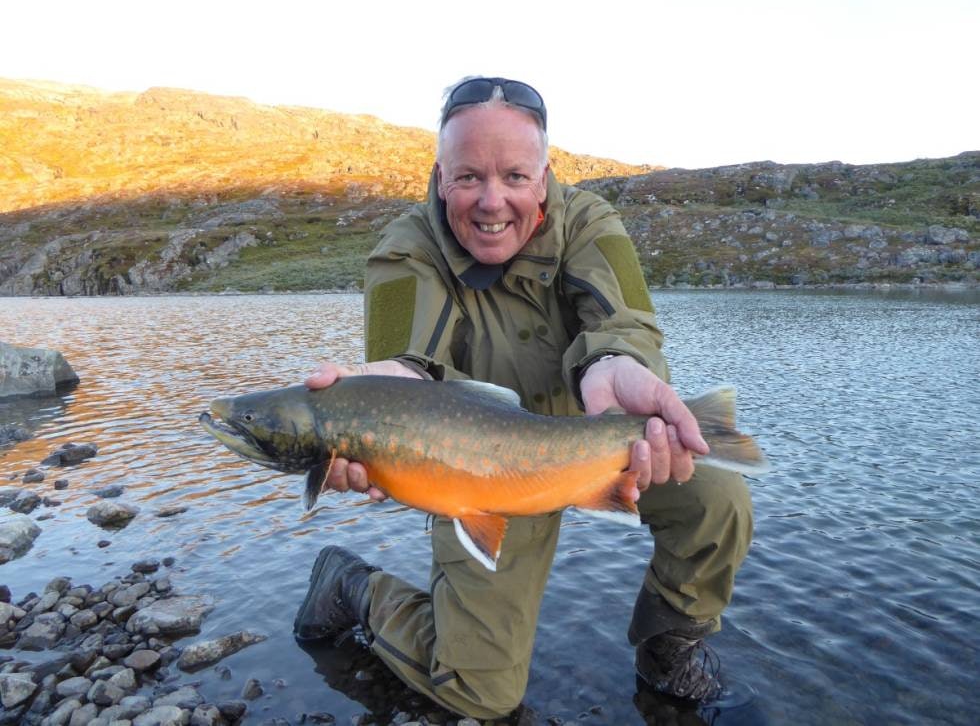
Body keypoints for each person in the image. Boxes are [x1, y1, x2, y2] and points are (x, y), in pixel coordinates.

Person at [296, 76, 753, 720]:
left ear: (545, 176)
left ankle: (668, 644)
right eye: (467, 178)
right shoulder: (406, 248)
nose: (491, 202)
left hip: (594, 443)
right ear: (439, 176)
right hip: (475, 472)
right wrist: (383, 398)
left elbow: (624, 317)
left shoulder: (590, 220)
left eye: (514, 176)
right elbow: (408, 359)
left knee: (718, 498)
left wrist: (617, 363)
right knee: (480, 696)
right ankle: (355, 589)